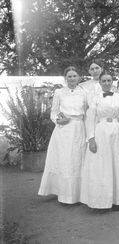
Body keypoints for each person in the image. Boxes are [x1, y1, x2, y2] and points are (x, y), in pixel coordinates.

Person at [80, 71, 119, 209]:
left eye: (109, 80)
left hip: (116, 130)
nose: (106, 83)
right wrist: (91, 138)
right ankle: (101, 201)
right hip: (101, 131)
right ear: (100, 83)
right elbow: (90, 118)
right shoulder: (96, 98)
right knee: (102, 165)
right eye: (103, 81)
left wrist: (115, 125)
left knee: (118, 163)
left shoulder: (118, 97)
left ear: (112, 82)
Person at [38, 66, 87, 204]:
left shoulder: (84, 92)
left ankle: (77, 194)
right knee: (64, 160)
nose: (72, 79)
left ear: (79, 77)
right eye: (69, 76)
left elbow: (88, 111)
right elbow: (53, 112)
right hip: (63, 130)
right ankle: (63, 193)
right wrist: (58, 120)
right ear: (65, 78)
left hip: (78, 128)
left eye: (74, 76)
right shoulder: (59, 92)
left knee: (77, 159)